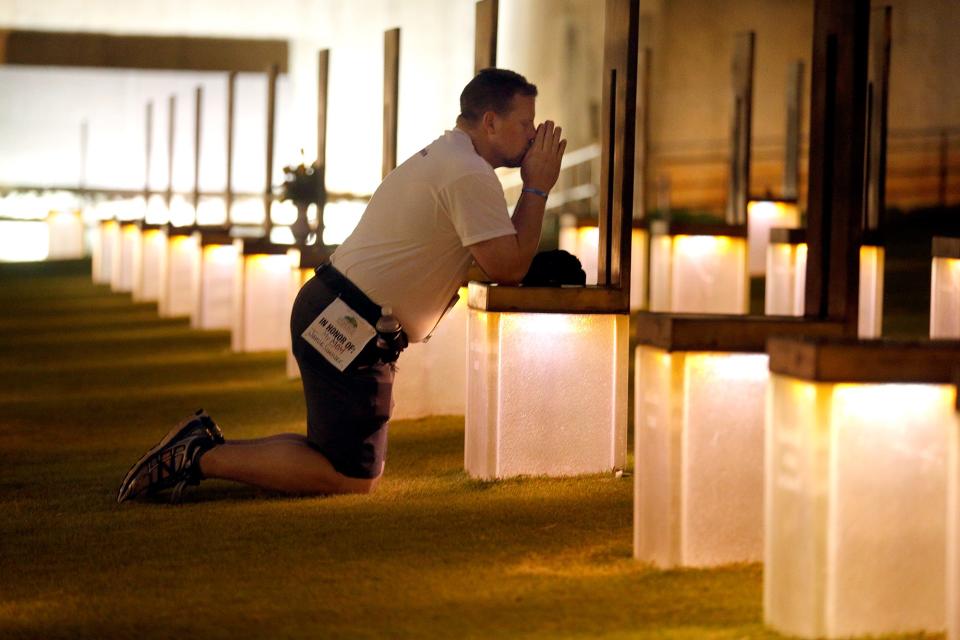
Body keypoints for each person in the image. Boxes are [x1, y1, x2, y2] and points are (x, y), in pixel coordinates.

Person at [117, 68, 567, 503]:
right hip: (348, 320)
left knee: (341, 462)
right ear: (490, 121)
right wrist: (537, 188)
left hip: (341, 311)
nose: (533, 136)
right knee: (349, 476)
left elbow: (493, 258)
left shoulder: (453, 158)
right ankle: (198, 457)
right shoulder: (469, 172)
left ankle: (201, 449)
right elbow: (507, 266)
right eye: (525, 123)